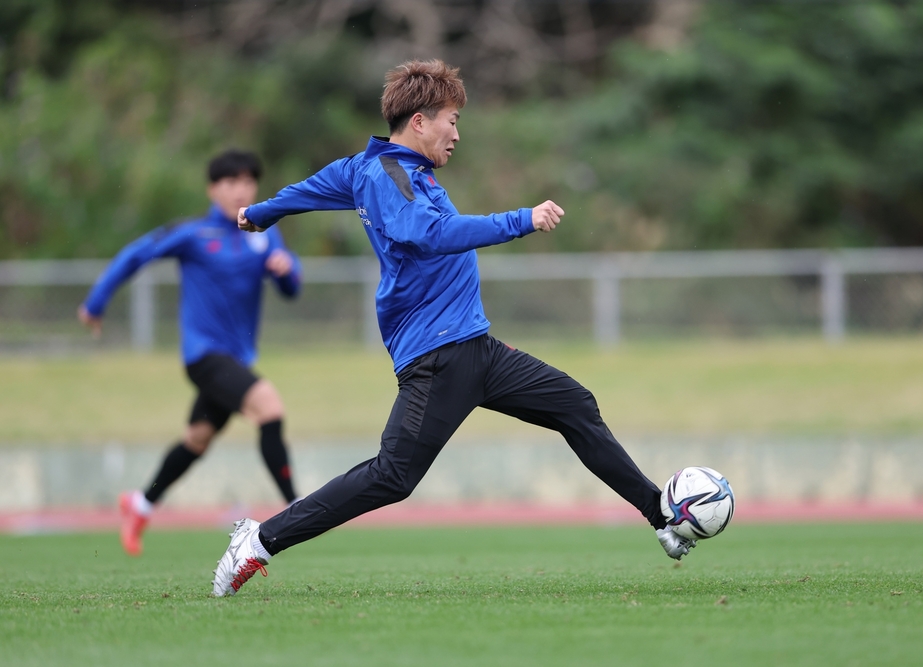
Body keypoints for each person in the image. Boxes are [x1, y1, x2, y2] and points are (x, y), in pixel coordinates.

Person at [211, 60, 694, 597]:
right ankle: (259, 540)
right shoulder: (390, 178)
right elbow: (431, 233)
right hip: (437, 357)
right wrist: (521, 220)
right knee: (392, 477)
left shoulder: (370, 168)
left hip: (477, 349)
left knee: (575, 405)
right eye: (453, 120)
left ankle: (661, 517)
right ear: (419, 121)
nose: (457, 134)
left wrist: (262, 212)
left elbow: (314, 187)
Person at [79, 149, 303, 557]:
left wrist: (287, 270)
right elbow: (136, 254)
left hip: (237, 360)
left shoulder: (264, 233)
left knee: (197, 440)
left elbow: (291, 288)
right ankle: (298, 509)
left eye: (248, 182)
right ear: (212, 189)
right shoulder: (194, 234)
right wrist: (95, 303)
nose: (241, 190)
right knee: (268, 407)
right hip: (204, 356)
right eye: (230, 182)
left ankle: (141, 503)